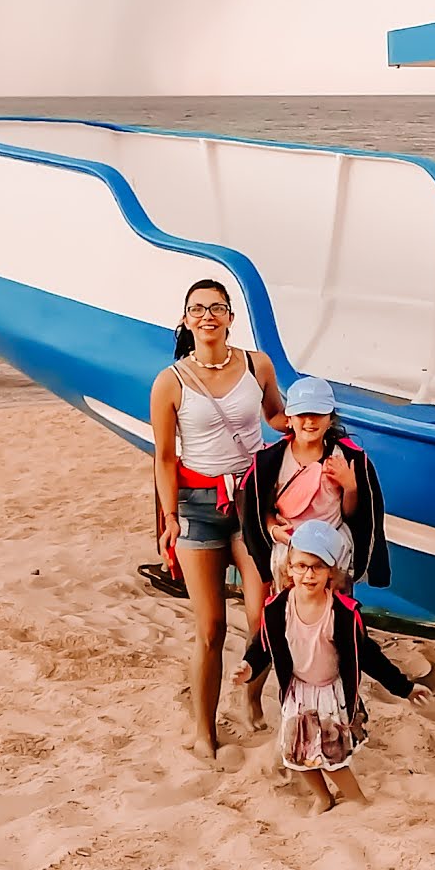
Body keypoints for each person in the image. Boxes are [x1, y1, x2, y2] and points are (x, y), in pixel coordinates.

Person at [150, 277, 287, 758]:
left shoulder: (257, 365)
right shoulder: (170, 381)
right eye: (198, 309)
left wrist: (317, 426)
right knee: (210, 630)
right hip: (198, 510)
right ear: (186, 320)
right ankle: (204, 731)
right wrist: (168, 518)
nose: (208, 315)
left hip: (253, 504)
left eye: (217, 308)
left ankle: (251, 696)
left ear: (231, 317)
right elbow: (164, 458)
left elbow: (277, 417)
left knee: (262, 619)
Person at [233, 519, 423, 809]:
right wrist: (248, 668)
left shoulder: (343, 614)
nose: (308, 575)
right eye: (301, 566)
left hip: (330, 695)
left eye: (318, 567)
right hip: (297, 693)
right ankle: (324, 797)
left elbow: (369, 655)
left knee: (332, 759)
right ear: (289, 567)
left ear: (331, 571)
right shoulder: (276, 609)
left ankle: (358, 799)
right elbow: (263, 645)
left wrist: (405, 688)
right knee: (298, 756)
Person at [235, 374, 389, 599]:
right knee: (291, 614)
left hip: (333, 554)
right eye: (302, 414)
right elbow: (261, 509)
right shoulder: (270, 461)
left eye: (318, 414)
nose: (310, 421)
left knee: (333, 616)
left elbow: (352, 515)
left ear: (330, 419)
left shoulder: (348, 459)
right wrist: (272, 529)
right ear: (289, 419)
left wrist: (350, 487)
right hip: (290, 554)